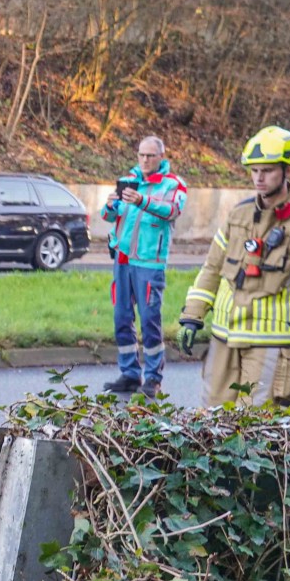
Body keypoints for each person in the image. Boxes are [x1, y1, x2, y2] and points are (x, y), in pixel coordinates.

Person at [178, 127, 290, 407]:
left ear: (287, 170)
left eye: (267, 170)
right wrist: (192, 315)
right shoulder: (239, 214)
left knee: (254, 425)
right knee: (212, 420)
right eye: (254, 171)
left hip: (272, 343)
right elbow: (212, 269)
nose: (259, 178)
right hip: (225, 336)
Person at [101, 136, 187, 397]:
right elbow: (109, 217)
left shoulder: (173, 184)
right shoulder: (129, 179)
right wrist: (109, 205)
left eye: (150, 155)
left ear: (161, 157)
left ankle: (153, 378)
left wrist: (142, 200)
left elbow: (172, 211)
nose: (145, 160)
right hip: (123, 260)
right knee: (121, 318)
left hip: (150, 263)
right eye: (141, 155)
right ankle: (129, 374)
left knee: (150, 320)